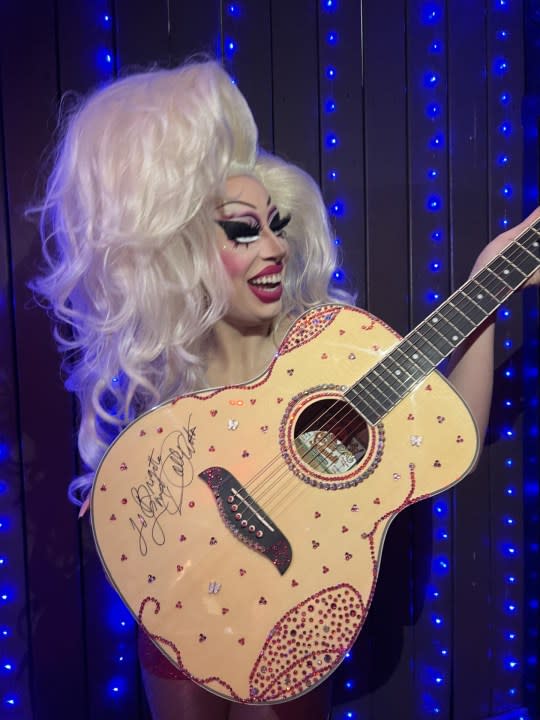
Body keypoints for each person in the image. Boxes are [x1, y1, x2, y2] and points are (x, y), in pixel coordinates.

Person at [31, 59, 539, 720]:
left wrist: (489, 282)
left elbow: (447, 435)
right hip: (182, 617)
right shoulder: (167, 373)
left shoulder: (323, 348)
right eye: (243, 230)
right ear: (179, 248)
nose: (271, 247)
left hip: (294, 615)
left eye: (276, 224)